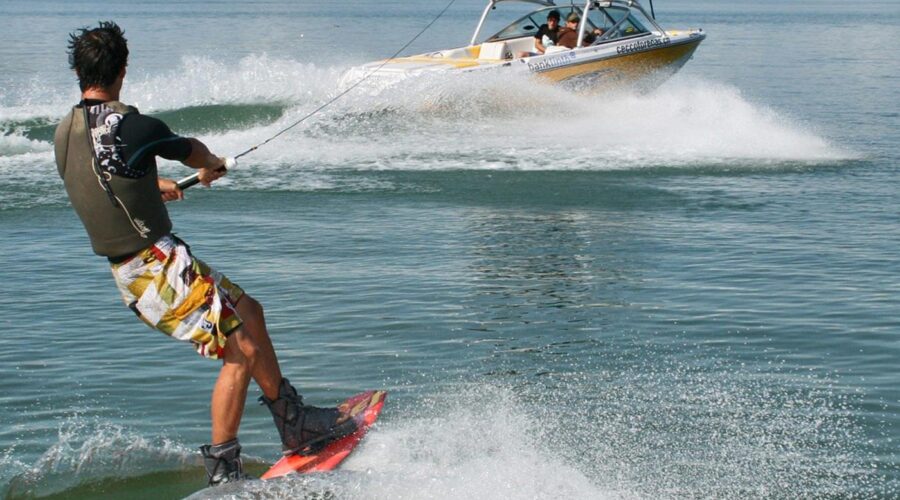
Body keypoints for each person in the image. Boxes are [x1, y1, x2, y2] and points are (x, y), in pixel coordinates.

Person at [54, 21, 356, 486]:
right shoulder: (136, 126)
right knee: (242, 350)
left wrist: (152, 187)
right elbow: (192, 151)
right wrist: (212, 165)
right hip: (155, 270)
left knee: (250, 312)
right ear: (124, 69)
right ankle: (224, 471)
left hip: (147, 266)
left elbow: (98, 179)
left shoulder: (65, 133)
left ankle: (293, 422)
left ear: (78, 70)